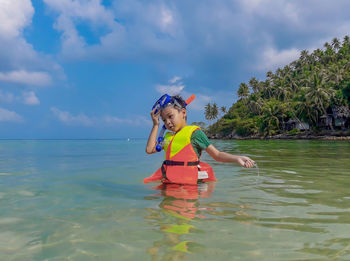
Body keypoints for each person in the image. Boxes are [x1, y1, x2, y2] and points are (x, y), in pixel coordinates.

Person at [144, 94, 255, 185]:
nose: (167, 122)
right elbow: (149, 150)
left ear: (183, 113)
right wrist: (156, 124)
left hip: (189, 186)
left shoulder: (195, 134)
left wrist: (238, 158)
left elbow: (217, 155)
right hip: (169, 184)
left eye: (170, 116)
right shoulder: (168, 137)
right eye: (164, 120)